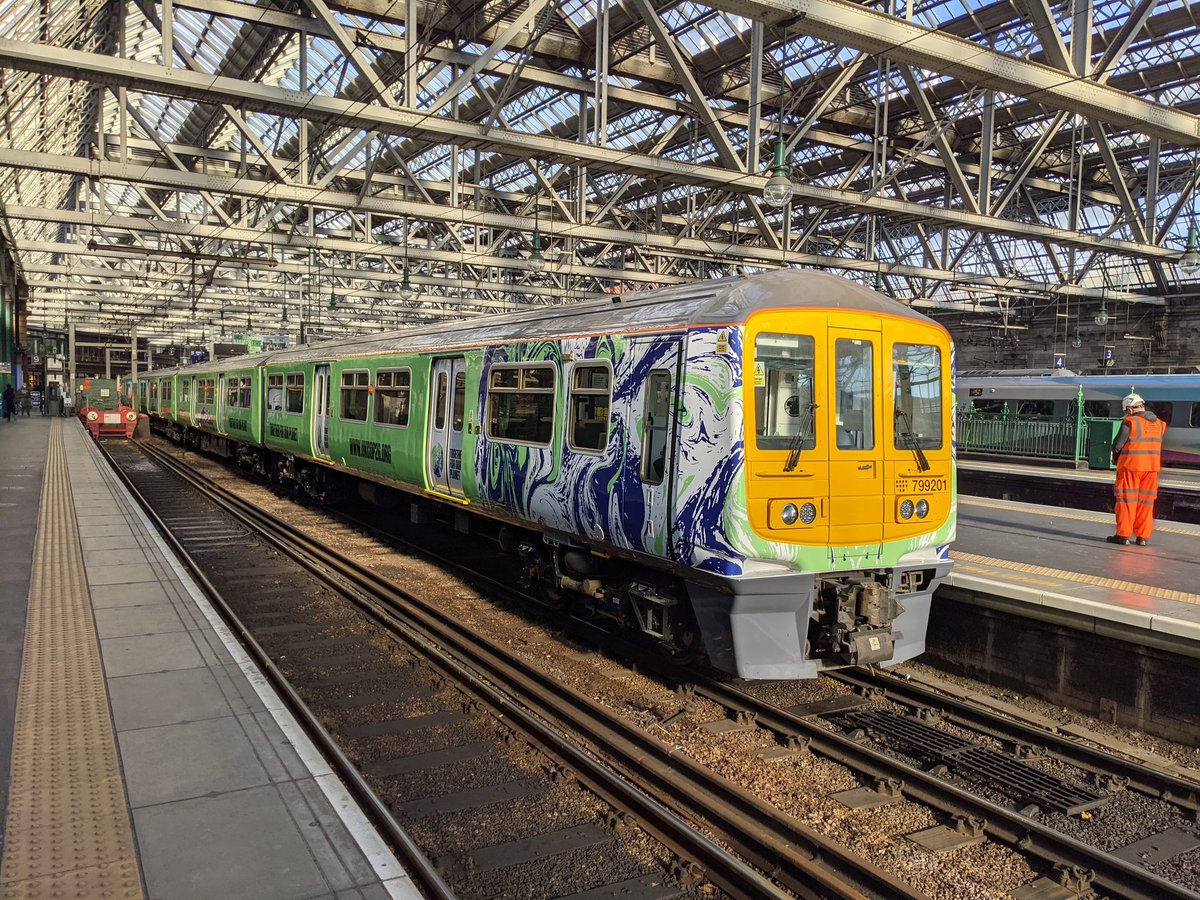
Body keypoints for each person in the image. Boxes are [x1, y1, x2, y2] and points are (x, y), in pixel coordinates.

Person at [1107, 392, 1166, 547]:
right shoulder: (1160, 424)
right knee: (1146, 503)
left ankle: (1123, 535)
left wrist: (1115, 458)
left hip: (1131, 467)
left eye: (1126, 410)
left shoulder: (1130, 422)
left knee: (1127, 501)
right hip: (1152, 469)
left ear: (1130, 409)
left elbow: (1118, 445)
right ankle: (1143, 537)